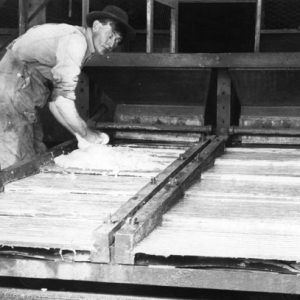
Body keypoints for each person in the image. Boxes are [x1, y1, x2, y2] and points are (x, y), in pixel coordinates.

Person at [0, 5, 135, 169]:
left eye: (117, 40)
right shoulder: (76, 41)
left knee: (35, 156)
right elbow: (63, 100)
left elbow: (56, 103)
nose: (112, 43)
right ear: (97, 25)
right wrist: (87, 134)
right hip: (13, 89)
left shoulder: (82, 46)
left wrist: (80, 135)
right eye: (111, 35)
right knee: (16, 160)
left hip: (24, 91)